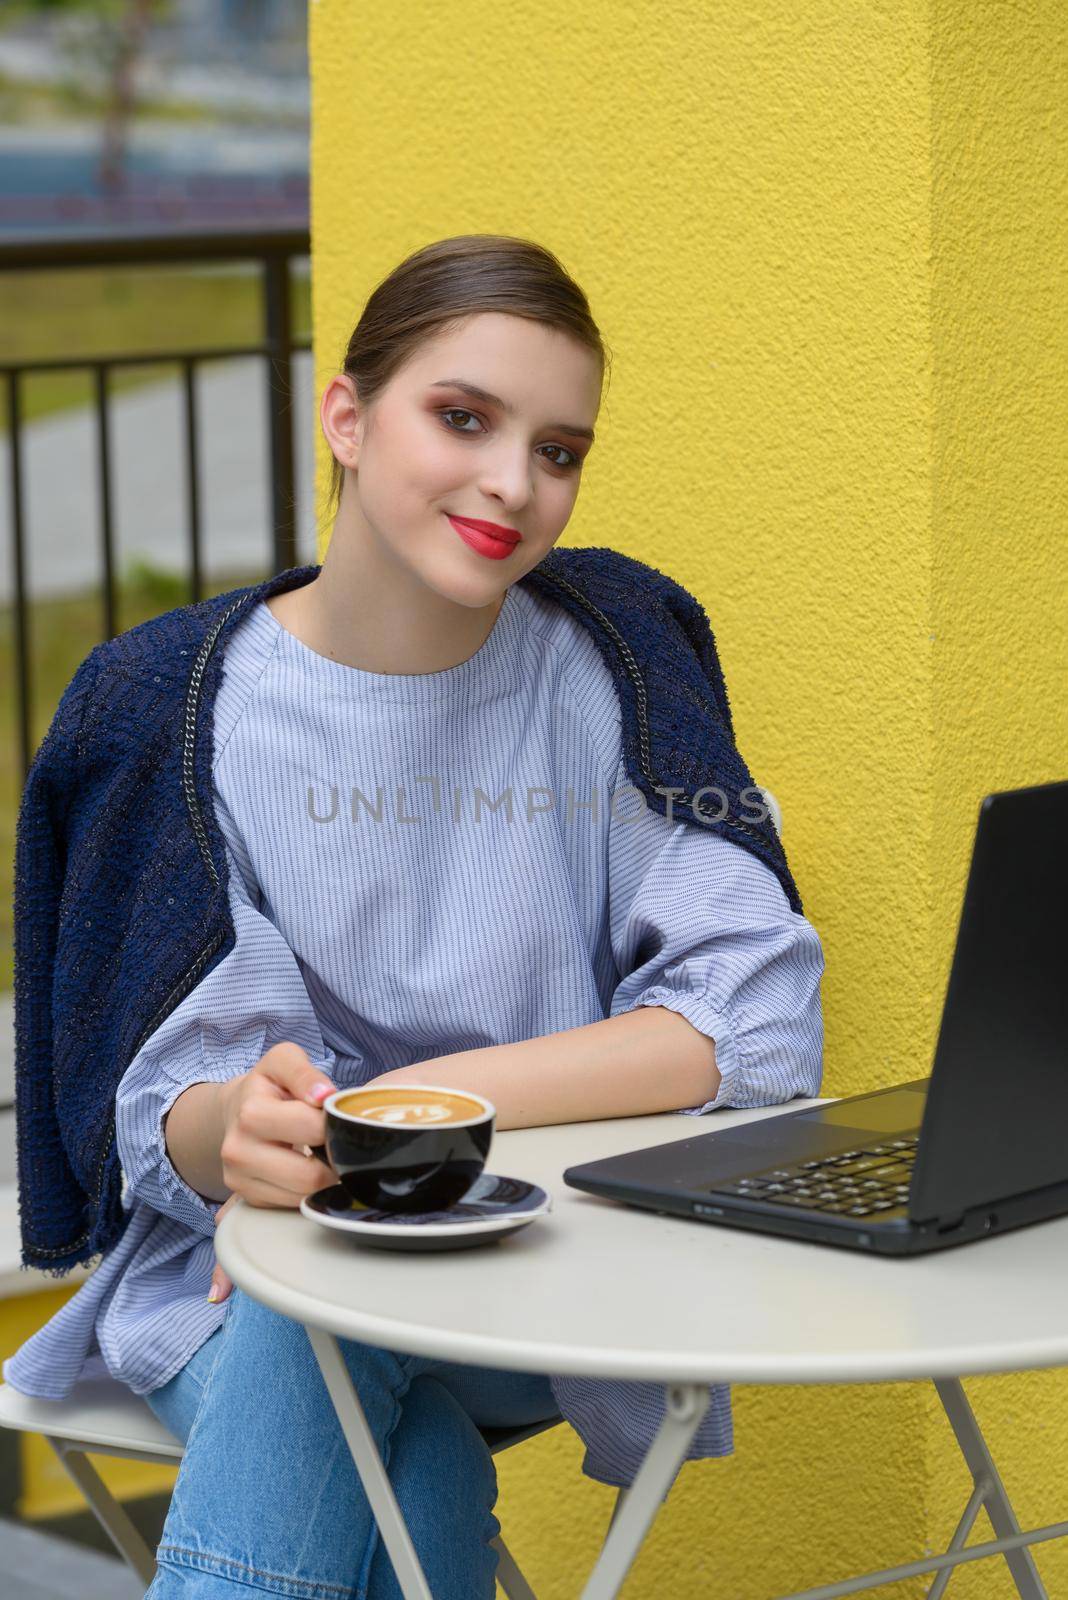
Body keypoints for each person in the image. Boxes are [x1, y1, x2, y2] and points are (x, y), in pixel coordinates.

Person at [5, 234, 825, 1597]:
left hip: (528, 1268)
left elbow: (753, 1028)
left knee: (323, 1313)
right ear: (345, 418)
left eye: (558, 450)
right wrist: (245, 1133)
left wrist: (415, 1106)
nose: (515, 483)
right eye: (463, 418)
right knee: (389, 1428)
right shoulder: (168, 708)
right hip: (238, 1274)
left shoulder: (616, 662)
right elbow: (160, 1107)